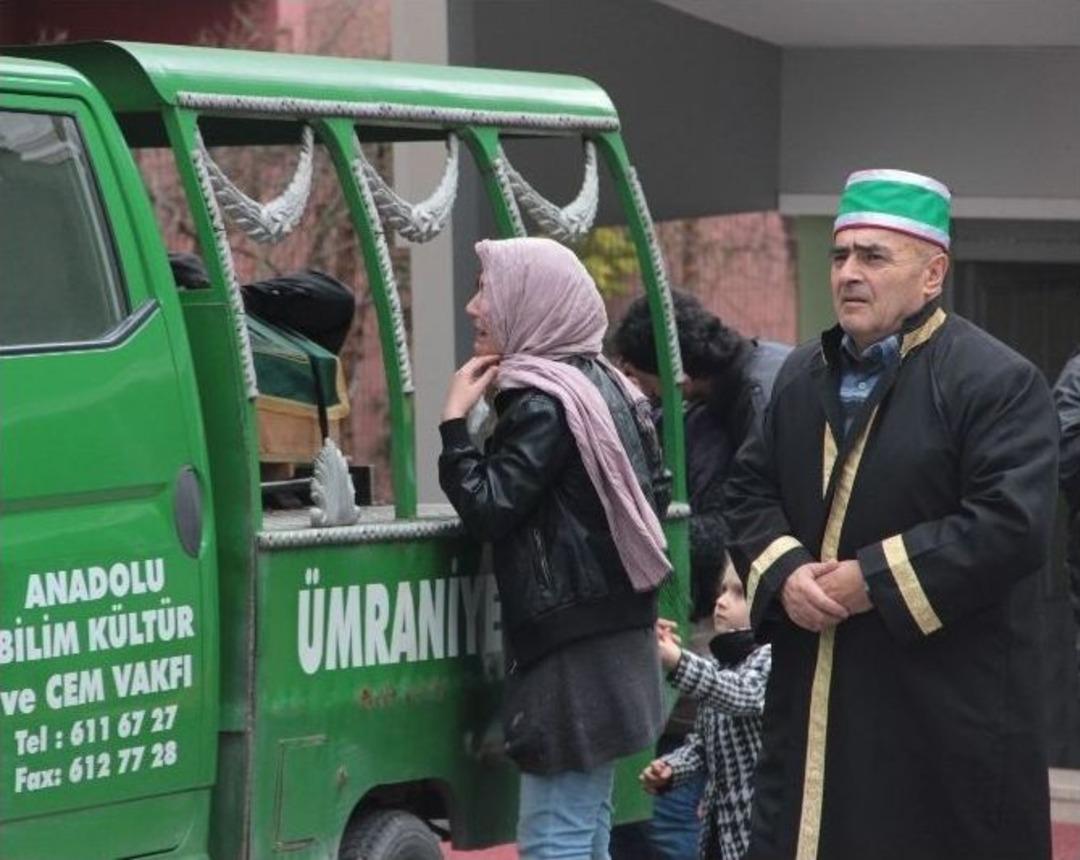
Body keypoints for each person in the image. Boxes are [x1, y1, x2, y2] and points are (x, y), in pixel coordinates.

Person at [725, 169, 1058, 860]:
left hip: (939, 711)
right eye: (840, 256)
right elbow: (748, 492)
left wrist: (867, 580)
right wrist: (787, 574)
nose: (849, 273)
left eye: (874, 257)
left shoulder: (996, 382)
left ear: (932, 274)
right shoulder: (800, 377)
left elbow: (1009, 525)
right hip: (813, 695)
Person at [438, 237, 672, 860]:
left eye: (487, 289)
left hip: (570, 646)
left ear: (529, 302)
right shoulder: (609, 388)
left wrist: (455, 425)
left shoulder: (544, 403)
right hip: (615, 632)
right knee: (585, 817)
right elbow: (659, 495)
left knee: (554, 837)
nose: (473, 306)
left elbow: (489, 507)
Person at [610, 291, 788, 860]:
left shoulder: (752, 401)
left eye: (639, 374)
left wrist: (661, 552)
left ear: (675, 374)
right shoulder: (728, 396)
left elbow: (754, 514)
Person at [641, 559, 771, 860]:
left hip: (759, 828)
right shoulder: (720, 663)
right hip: (720, 827)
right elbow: (702, 743)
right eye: (722, 590)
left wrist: (678, 662)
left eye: (739, 593)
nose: (722, 602)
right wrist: (673, 767)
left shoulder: (771, 656)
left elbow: (741, 694)